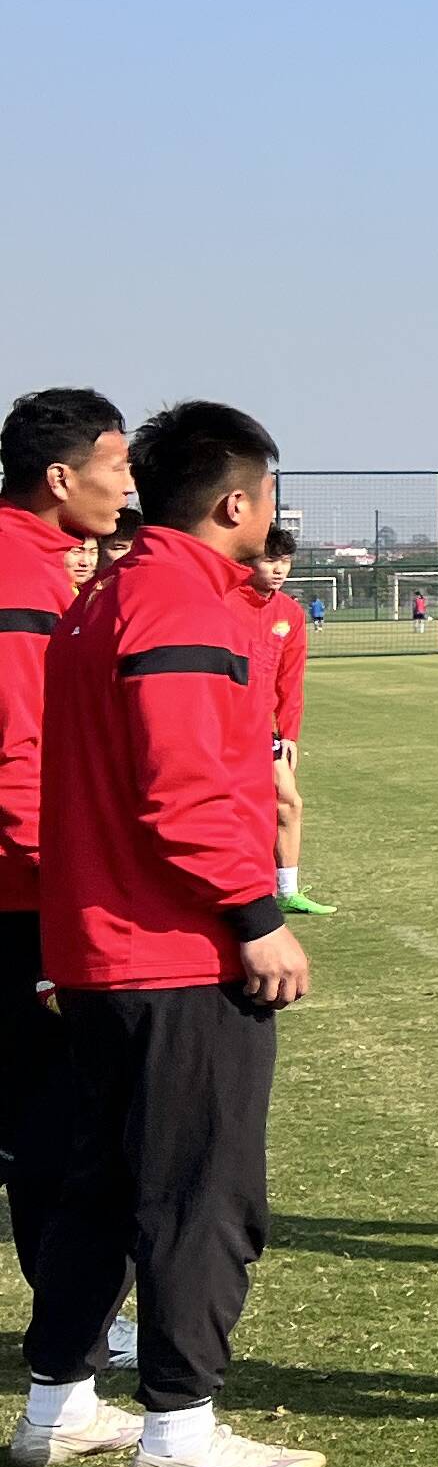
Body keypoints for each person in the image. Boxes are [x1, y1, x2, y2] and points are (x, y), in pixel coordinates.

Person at [12, 400, 325, 1467]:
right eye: (272, 496)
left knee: (98, 1186)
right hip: (171, 954)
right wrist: (257, 917)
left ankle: (56, 1405)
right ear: (236, 502)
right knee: (201, 1191)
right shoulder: (173, 601)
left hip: (103, 948)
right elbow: (184, 790)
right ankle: (180, 1431)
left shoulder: (103, 598)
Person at [0, 388, 132, 1292]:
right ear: (60, 477)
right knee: (53, 1114)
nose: (128, 488)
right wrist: (58, 885)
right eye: (117, 467)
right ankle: (70, 1327)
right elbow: (16, 751)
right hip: (22, 891)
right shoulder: (19, 578)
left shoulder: (45, 565)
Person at [244, 515, 332, 920]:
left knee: (287, 802)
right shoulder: (224, 603)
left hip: (265, 730)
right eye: (268, 560)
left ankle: (287, 890)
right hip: (224, 725)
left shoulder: (290, 614)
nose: (278, 569)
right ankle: (247, 889)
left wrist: (289, 733)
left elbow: (290, 680)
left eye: (285, 560)